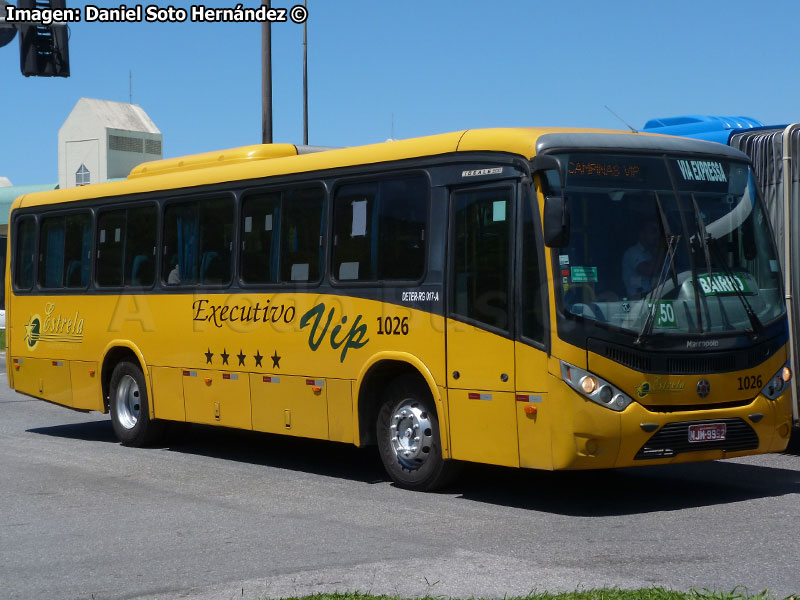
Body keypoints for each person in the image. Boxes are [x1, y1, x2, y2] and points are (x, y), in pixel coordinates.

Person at [622, 217, 661, 297]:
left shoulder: (651, 253)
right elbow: (648, 271)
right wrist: (660, 250)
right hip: (636, 302)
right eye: (653, 231)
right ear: (642, 234)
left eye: (658, 232)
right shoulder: (632, 252)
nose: (657, 235)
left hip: (652, 298)